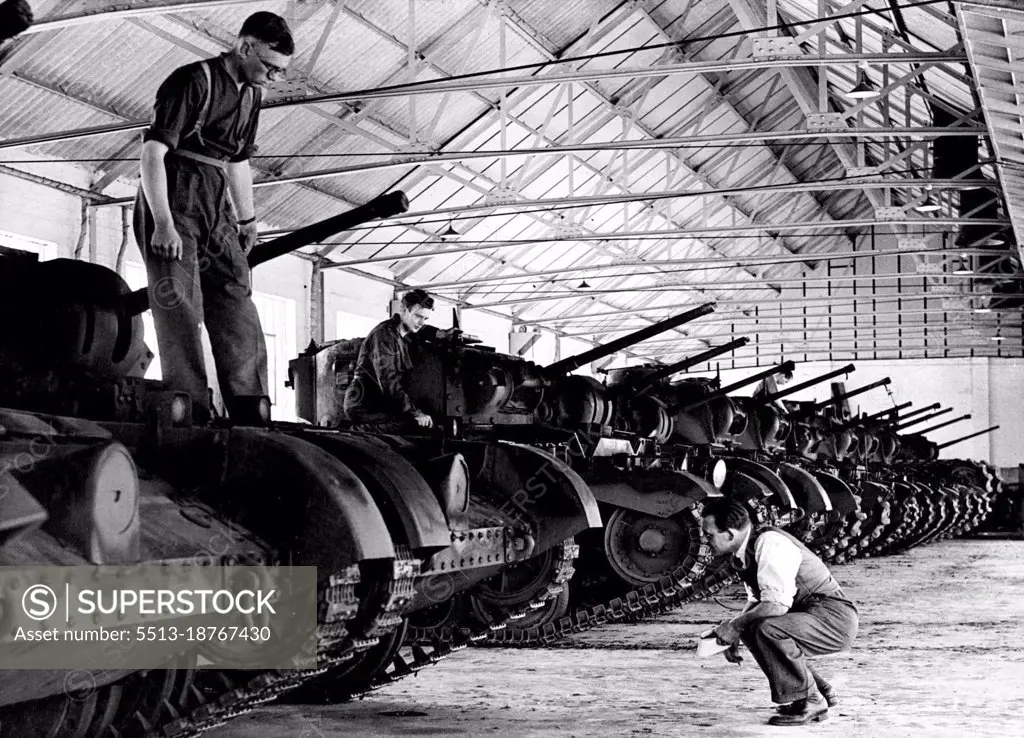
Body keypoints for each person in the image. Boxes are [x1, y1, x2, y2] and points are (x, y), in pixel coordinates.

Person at [133, 12, 293, 423]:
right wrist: (164, 223)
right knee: (179, 302)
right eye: (270, 68)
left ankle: (249, 406)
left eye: (278, 72)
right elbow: (152, 153)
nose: (271, 79)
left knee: (235, 291)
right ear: (245, 48)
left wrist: (247, 220)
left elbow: (237, 161)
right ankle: (188, 406)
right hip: (173, 191)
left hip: (215, 196)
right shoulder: (193, 81)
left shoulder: (252, 95)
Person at [699, 497, 859, 726]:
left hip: (834, 618)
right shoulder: (746, 551)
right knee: (751, 626)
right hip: (815, 614)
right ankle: (820, 690)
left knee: (767, 628)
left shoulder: (769, 544)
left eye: (709, 535)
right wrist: (734, 630)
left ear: (730, 534)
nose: (705, 540)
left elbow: (776, 605)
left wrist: (734, 626)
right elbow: (758, 600)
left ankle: (811, 699)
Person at [343, 289, 458, 432]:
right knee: (415, 426)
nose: (421, 322)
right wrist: (415, 412)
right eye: (418, 316)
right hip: (365, 405)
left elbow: (422, 329)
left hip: (380, 402)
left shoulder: (404, 331)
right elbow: (388, 381)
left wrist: (440, 334)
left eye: (425, 318)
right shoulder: (384, 336)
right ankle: (353, 431)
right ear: (404, 310)